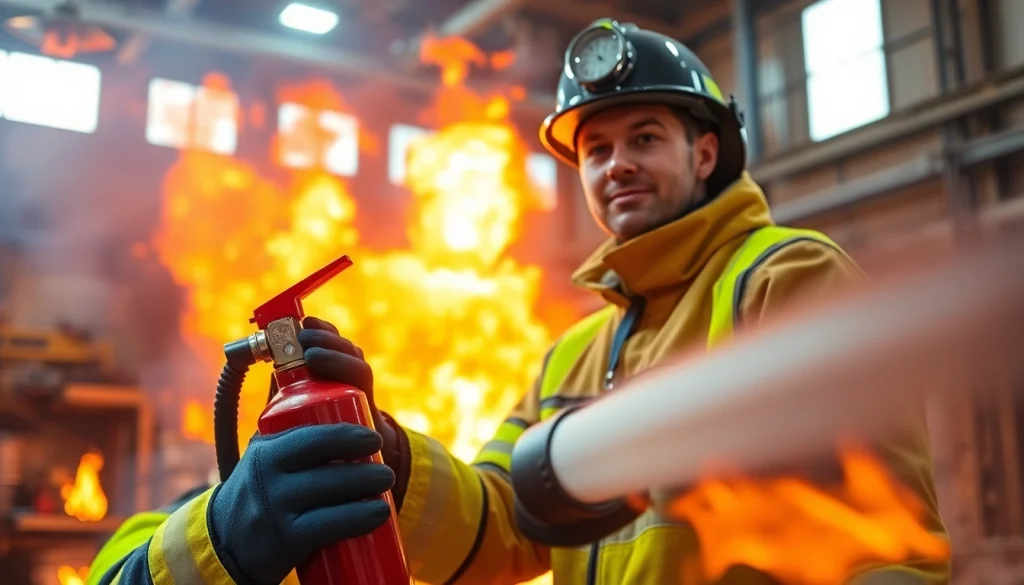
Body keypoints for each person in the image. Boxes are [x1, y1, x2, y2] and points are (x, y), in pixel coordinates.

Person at [87, 18, 950, 585]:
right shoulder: (574, 352)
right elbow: (504, 524)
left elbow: (887, 543)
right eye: (596, 148)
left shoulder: (784, 278)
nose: (615, 165)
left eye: (645, 137)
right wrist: (391, 453)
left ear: (708, 153)